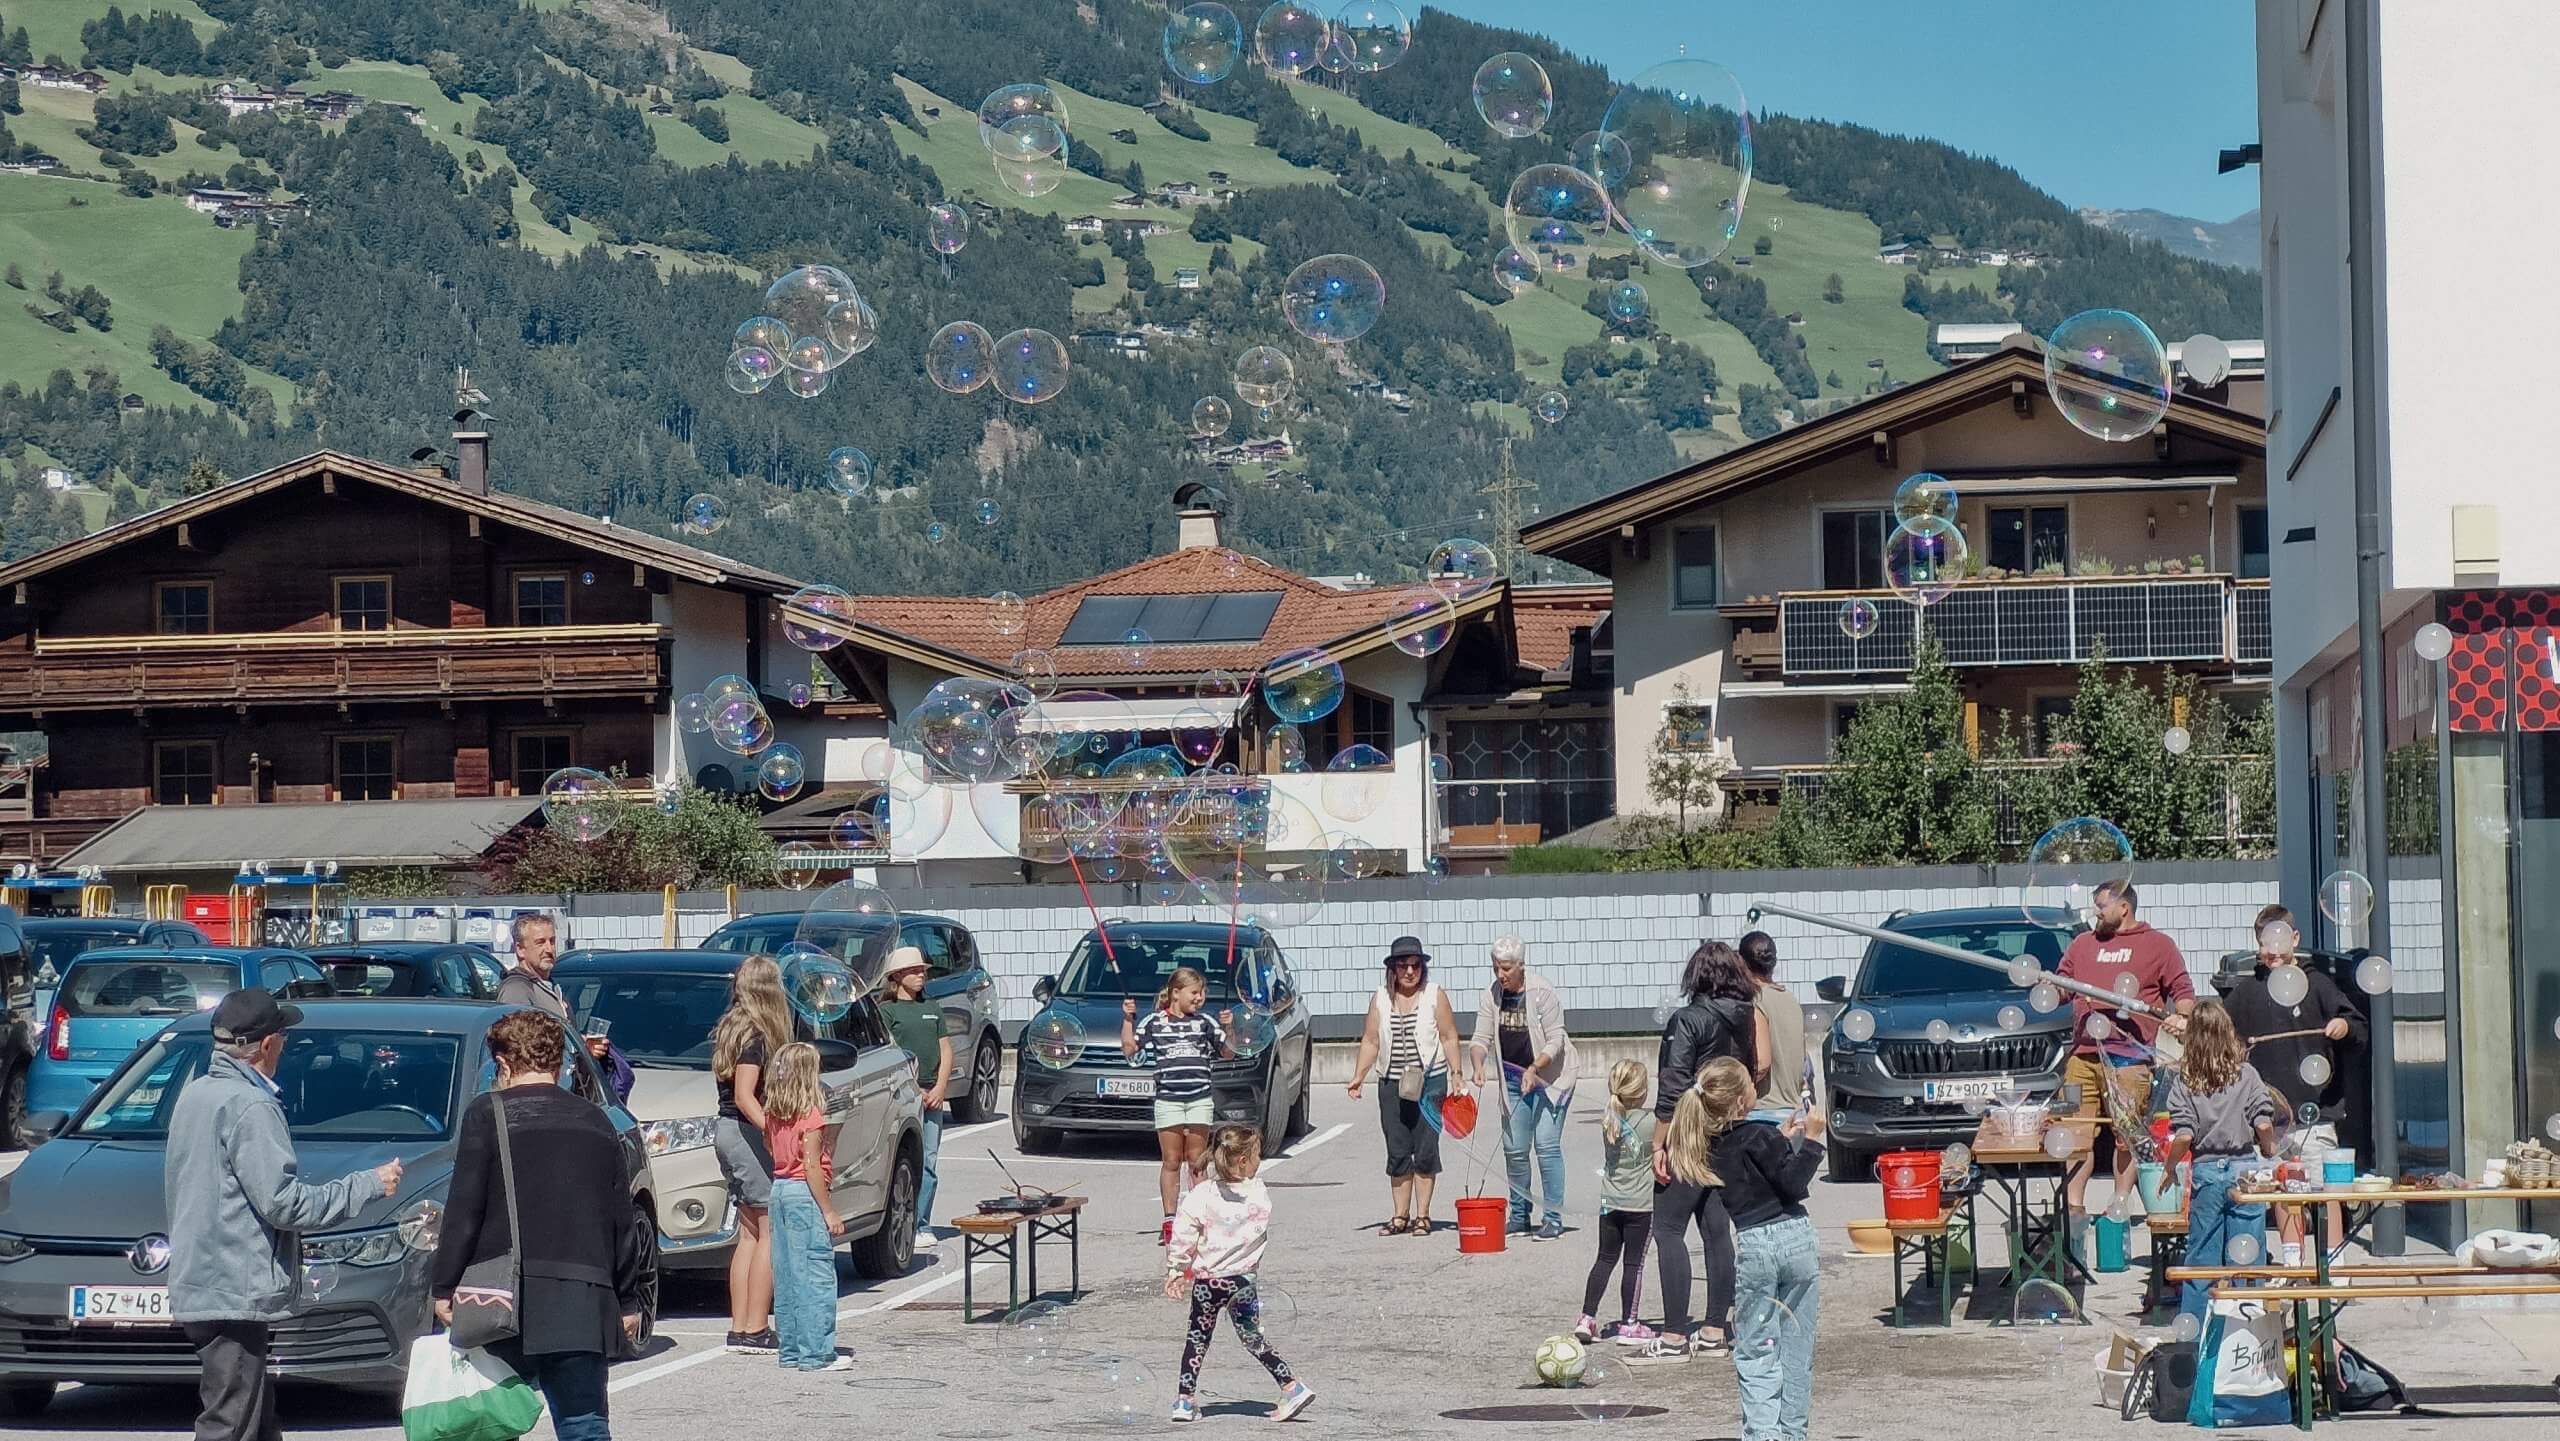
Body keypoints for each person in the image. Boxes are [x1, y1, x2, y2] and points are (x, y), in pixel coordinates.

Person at [168, 990, 402, 1441]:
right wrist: (369, 1185)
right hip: (233, 1285)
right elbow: (285, 1204)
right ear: (268, 1044)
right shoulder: (250, 1105)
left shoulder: (196, 1094)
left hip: (206, 1278)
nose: (286, 1047)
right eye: (284, 1038)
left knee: (255, 1420)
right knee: (230, 1423)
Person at [432, 1011, 649, 1441]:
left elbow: (464, 1211)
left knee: (490, 1423)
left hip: (505, 1298)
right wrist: (628, 1299)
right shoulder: (597, 1120)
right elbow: (620, 1221)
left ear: (505, 1064)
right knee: (583, 1423)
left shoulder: (487, 1115)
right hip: (582, 1299)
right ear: (559, 1062)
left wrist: (444, 1285)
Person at [1660, 1057, 1825, 1441]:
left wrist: (1783, 1141)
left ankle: (1763, 1434)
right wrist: (1813, 1141)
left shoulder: (1712, 1148)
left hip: (1753, 1243)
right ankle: (1792, 1434)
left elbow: (1754, 1174)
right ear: (1740, 1102)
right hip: (1795, 1238)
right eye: (1751, 1084)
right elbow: (1793, 1184)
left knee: (1756, 1349)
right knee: (1796, 1349)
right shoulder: (1759, 1136)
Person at [2055, 880, 2195, 1253]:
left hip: (2130, 1057)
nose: (2095, 912)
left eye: (2101, 905)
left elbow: (2182, 992)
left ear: (2124, 907)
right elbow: (2060, 986)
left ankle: (2118, 1209)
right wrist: (2045, 985)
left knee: (2127, 1137)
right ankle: (2073, 1215)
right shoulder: (2082, 944)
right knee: (2074, 1138)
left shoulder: (2158, 945)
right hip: (2082, 1057)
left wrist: (2181, 1018)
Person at [2223, 905, 2364, 1265]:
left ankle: (2334, 1263)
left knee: (2325, 1191)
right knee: (2286, 1193)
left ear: (2294, 940)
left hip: (2318, 1112)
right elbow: (2222, 1033)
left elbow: (2357, 1025)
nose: (2269, 951)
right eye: (2262, 943)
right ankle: (2294, 1262)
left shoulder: (2317, 983)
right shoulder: (2248, 991)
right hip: (2271, 1117)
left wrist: (2342, 1027)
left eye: (2276, 942)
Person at [1642, 940, 1762, 1359]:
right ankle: (1715, 1328)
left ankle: (1674, 1333)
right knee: (1716, 1232)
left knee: (1668, 1229)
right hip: (1728, 1131)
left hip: (1688, 1133)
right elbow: (1753, 1070)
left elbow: (1672, 1084)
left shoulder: (1688, 1019)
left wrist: (1658, 1143)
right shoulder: (1745, 1016)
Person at [1163, 1125, 1315, 1424]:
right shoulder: (1257, 1193)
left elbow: (1183, 1232)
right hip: (1242, 1281)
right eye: (1257, 1155)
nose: (1259, 1161)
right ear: (1243, 1160)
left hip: (1209, 1282)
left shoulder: (1202, 1195)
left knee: (1197, 1339)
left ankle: (1184, 1400)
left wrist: (1176, 1269)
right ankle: (1290, 1386)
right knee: (1253, 1339)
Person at [2164, 1001, 2281, 1326]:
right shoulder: (2247, 1075)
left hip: (2207, 1170)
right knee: (2248, 1257)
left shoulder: (2186, 1080)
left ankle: (2197, 1337)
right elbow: (2263, 1125)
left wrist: (2169, 1167)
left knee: (2202, 1258)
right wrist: (2270, 1148)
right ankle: (2252, 1332)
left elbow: (2184, 1136)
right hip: (2245, 1169)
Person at [1346, 936, 1464, 1236]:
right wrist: (1359, 1075)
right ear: (1393, 970)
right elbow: (1371, 1040)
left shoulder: (1435, 995)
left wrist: (1457, 1073)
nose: (1410, 972)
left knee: (1425, 1149)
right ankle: (1400, 1216)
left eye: (1416, 966)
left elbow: (1449, 1036)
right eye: (1403, 966)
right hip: (1391, 1082)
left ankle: (1423, 1216)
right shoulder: (1381, 999)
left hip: (1430, 1080)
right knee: (1398, 1149)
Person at [1466, 935, 1579, 1241]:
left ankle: (1552, 1217)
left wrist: (1534, 1068)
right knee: (1515, 1150)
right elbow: (1480, 1039)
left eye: (1506, 969)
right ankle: (1519, 1216)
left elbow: (1556, 1039)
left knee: (1545, 1145)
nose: (1500, 975)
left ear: (1520, 966)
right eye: (1496, 968)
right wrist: (1477, 1064)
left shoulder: (1542, 992)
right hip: (1513, 1079)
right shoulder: (1492, 995)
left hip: (1550, 1079)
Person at [710, 954, 794, 1353]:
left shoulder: (733, 1027)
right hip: (743, 1131)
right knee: (769, 1231)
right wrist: (773, 1132)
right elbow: (745, 1096)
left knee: (748, 1233)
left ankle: (741, 1326)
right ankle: (757, 1326)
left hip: (727, 1132)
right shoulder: (757, 1035)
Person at [760, 1042, 854, 1372]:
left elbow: (772, 1149)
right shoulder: (811, 1116)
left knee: (786, 1273)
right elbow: (812, 1165)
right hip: (803, 1193)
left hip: (779, 1190)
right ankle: (817, 1353)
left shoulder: (774, 1112)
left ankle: (791, 1350)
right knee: (815, 1273)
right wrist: (829, 1210)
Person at [1124, 965, 1234, 1247]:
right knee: (1171, 1161)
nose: (1200, 998)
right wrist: (1127, 1018)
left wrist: (1228, 1026)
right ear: (1176, 993)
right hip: (1168, 1100)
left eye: (1202, 993)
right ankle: (1170, 1220)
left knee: (1197, 1162)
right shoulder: (1154, 1022)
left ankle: (1199, 1219)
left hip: (1199, 1098)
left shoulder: (1205, 1023)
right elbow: (1130, 1049)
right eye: (1194, 992)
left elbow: (1227, 1052)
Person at [496, 912, 633, 1101]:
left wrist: (582, 1047)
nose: (549, 949)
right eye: (540, 942)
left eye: (552, 941)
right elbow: (522, 1050)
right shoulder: (517, 989)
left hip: (563, 1091)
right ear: (520, 949)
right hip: (538, 1097)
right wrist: (578, 1050)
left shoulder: (550, 986)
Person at [1575, 1059, 1658, 1347]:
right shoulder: (1650, 1123)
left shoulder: (1609, 1118)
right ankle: (1630, 1323)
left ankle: (1586, 1317)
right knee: (1633, 1264)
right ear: (1642, 1092)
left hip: (1610, 1203)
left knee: (1605, 1259)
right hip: (1640, 1205)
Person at [878, 946, 955, 1250]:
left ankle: (922, 1222)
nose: (921, 975)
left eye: (923, 970)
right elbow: (890, 1053)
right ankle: (901, 1221)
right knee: (904, 1158)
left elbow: (946, 1050)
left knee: (930, 1162)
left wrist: (940, 1088)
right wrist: (914, 1088)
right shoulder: (887, 1011)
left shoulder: (933, 1008)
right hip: (904, 1094)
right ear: (897, 976)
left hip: (932, 1094)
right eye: (914, 970)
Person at [1740, 931, 1807, 1124]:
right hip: (1794, 1112)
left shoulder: (1756, 1001)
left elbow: (1761, 1063)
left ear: (1742, 963)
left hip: (1764, 1112)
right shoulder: (1790, 998)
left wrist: (1736, 1090)